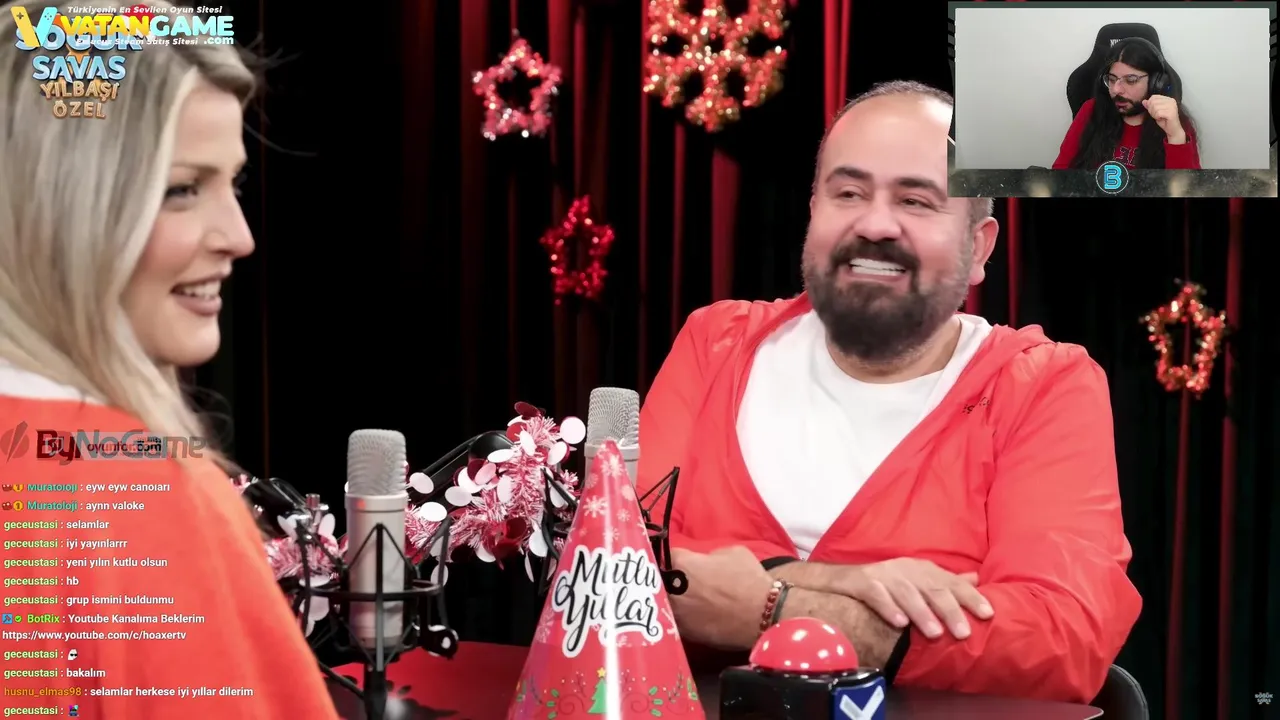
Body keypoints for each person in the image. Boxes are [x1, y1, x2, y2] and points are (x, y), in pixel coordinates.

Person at [637, 80, 1141, 704]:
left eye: (916, 201)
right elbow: (613, 572)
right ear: (814, 212)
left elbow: (1058, 644)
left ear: (978, 247)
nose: (875, 224)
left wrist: (767, 604)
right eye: (848, 193)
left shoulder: (1042, 386)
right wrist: (836, 586)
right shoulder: (715, 343)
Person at [0, 2, 339, 717]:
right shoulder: (138, 492)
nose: (239, 237)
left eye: (232, 184)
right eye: (183, 189)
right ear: (62, 208)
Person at [1053, 37, 1200, 170]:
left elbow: (1188, 187)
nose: (1116, 90)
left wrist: (1175, 136)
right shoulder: (1091, 109)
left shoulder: (1173, 120)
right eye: (1111, 79)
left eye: (1130, 80)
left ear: (1156, 83)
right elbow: (1060, 172)